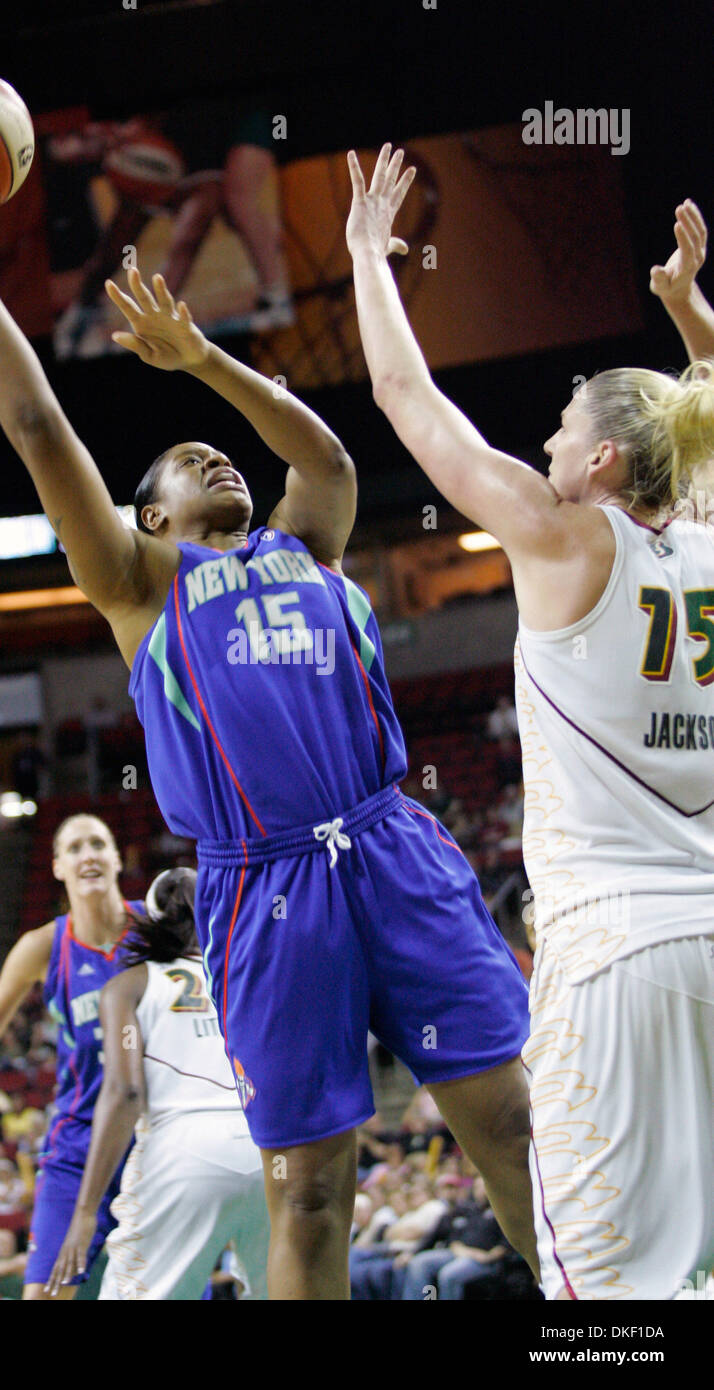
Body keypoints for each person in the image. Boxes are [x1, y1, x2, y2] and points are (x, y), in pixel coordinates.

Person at [0, 152, 536, 1301]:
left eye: (220, 448)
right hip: (264, 889)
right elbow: (36, 424)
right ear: (150, 517)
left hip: (389, 843)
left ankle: (610, 1322)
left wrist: (203, 362)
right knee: (311, 1190)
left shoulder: (308, 542)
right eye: (188, 462)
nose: (215, 454)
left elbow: (323, 456)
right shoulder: (142, 586)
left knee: (512, 1126)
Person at [346, 146, 714, 1299]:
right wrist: (692, 325)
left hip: (610, 961)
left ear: (600, 457)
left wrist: (364, 255)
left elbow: (408, 402)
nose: (543, 443)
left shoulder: (563, 537)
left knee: (602, 1297)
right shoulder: (704, 540)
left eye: (559, 428)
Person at [0, 812, 145, 1299]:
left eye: (97, 844)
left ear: (116, 858)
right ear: (58, 867)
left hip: (156, 1135)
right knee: (43, 1293)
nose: (87, 855)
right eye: (74, 848)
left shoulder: (155, 929)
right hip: (80, 1140)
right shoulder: (42, 947)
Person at [46, 867, 269, 1300]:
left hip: (181, 1152)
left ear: (150, 919)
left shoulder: (127, 986)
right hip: (267, 1148)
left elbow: (125, 1093)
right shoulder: (248, 976)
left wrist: (86, 1211)